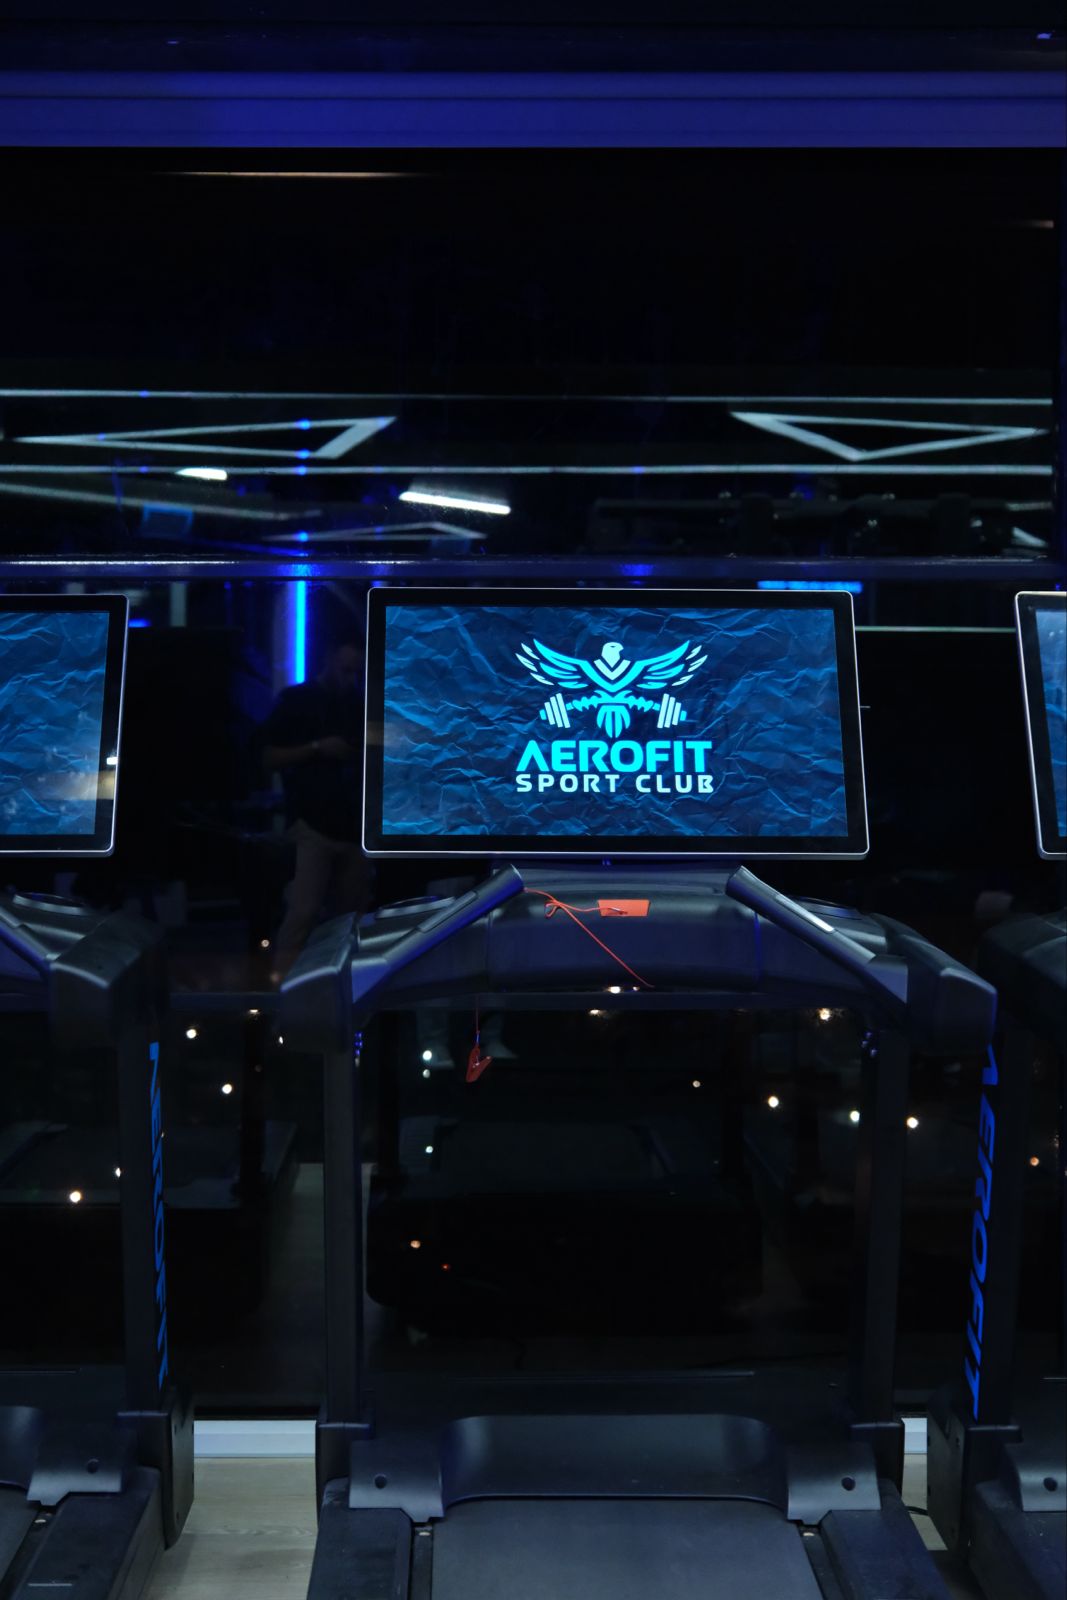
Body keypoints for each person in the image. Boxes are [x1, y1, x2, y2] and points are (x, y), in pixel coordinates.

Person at [261, 640, 372, 981]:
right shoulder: (298, 701)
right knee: (303, 913)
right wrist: (317, 748)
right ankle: (285, 991)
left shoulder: (359, 703)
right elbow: (267, 756)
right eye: (347, 670)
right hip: (314, 824)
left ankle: (334, 991)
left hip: (354, 827)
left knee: (349, 920)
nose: (352, 678)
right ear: (329, 657)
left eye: (356, 672)